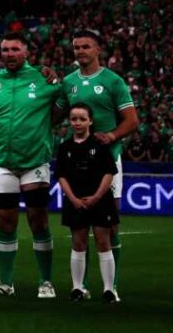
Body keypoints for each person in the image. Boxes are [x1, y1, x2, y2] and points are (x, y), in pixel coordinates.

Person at [0, 34, 62, 299]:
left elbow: (65, 104)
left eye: (15, 49)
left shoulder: (45, 79)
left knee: (38, 221)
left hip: (34, 161)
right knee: (5, 222)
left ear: (26, 51)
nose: (10, 54)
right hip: (2, 161)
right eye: (5, 50)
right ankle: (5, 282)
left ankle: (46, 282)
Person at [62, 29, 139, 284]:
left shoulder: (113, 81)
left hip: (107, 161)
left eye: (86, 46)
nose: (81, 51)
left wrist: (113, 136)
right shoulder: (68, 81)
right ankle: (79, 285)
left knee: (110, 225)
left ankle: (111, 285)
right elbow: (56, 113)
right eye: (77, 47)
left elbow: (131, 120)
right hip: (76, 163)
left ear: (97, 50)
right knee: (79, 226)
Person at [57, 106, 120, 302]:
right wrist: (74, 199)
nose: (77, 123)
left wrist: (96, 197)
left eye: (82, 119)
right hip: (76, 202)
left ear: (90, 121)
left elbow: (109, 174)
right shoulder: (65, 147)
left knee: (103, 241)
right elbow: (61, 176)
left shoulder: (101, 145)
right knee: (78, 242)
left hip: (100, 201)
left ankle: (109, 289)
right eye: (74, 119)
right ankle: (77, 288)